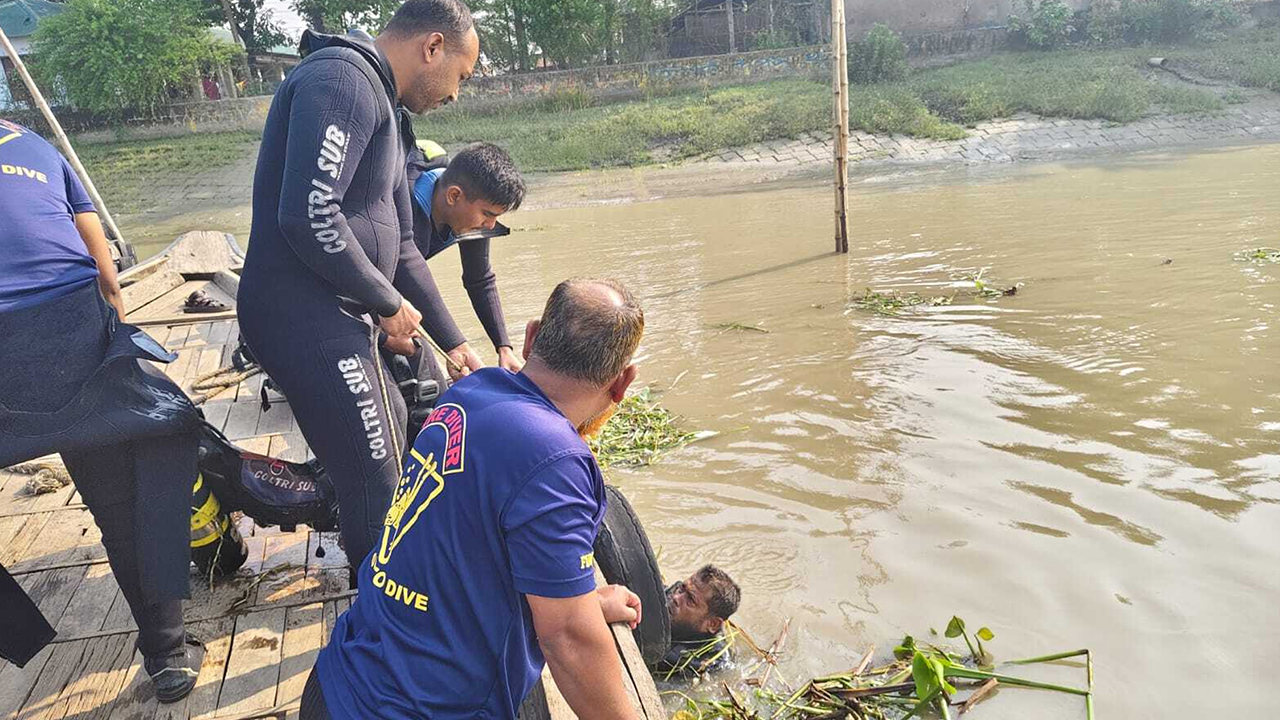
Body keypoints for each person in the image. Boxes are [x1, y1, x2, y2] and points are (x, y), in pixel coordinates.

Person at [301, 278, 648, 720]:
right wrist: (576, 620)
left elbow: (463, 549)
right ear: (622, 384)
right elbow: (568, 640)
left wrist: (583, 600)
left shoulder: (469, 393)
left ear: (531, 336)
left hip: (338, 680)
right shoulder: (558, 459)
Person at [237, 0, 484, 577]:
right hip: (301, 315)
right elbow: (309, 215)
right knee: (377, 473)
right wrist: (386, 303)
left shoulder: (388, 111)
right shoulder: (342, 81)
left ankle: (381, 582)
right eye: (461, 77)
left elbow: (399, 247)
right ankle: (382, 618)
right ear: (432, 47)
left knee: (395, 428)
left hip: (338, 314)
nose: (456, 94)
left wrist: (454, 342)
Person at [0, 119, 204, 702]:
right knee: (122, 499)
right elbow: (106, 270)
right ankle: (167, 657)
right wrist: (112, 355)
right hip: (68, 322)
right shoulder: (35, 143)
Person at [399, 141, 526, 370]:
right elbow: (403, 274)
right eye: (487, 215)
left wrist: (503, 348)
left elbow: (479, 279)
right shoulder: (402, 205)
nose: (490, 225)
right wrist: (457, 346)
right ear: (454, 196)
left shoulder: (470, 211)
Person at [655, 565, 743, 677]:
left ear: (712, 624)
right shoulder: (669, 594)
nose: (676, 598)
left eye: (690, 600)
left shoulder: (708, 663)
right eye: (682, 588)